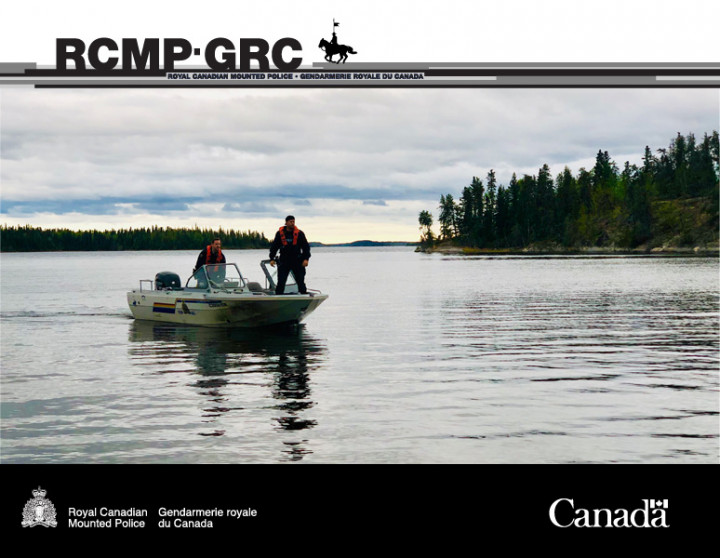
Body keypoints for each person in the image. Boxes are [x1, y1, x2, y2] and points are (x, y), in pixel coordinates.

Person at [269, 215, 311, 294]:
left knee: (300, 280)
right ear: (286, 223)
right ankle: (278, 297)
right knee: (281, 281)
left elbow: (306, 247)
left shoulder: (300, 233)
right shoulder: (280, 234)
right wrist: (272, 258)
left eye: (293, 222)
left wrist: (306, 259)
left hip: (297, 260)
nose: (292, 223)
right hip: (284, 261)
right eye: (291, 222)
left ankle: (303, 295)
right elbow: (274, 247)